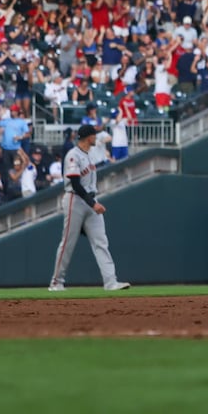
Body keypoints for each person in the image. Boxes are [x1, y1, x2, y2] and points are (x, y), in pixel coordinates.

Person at [49, 124, 132, 291]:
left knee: (101, 242)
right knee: (68, 243)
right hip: (75, 200)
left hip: (91, 200)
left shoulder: (89, 155)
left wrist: (93, 203)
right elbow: (75, 184)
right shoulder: (73, 155)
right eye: (94, 135)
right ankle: (56, 282)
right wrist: (93, 204)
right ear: (88, 137)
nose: (96, 137)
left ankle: (110, 282)